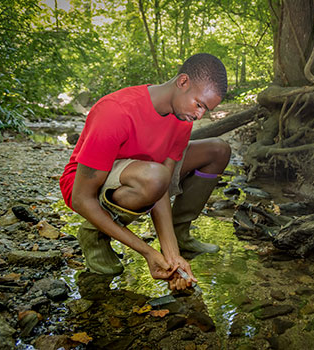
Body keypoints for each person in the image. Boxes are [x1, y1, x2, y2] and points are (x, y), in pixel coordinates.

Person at [59, 53, 230, 291]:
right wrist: (147, 252)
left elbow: (162, 187)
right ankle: (94, 236)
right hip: (89, 183)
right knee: (154, 176)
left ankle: (180, 235)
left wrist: (172, 257)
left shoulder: (183, 117)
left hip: (147, 174)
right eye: (199, 104)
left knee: (218, 150)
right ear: (182, 82)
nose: (200, 115)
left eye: (206, 110)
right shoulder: (116, 112)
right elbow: (80, 198)